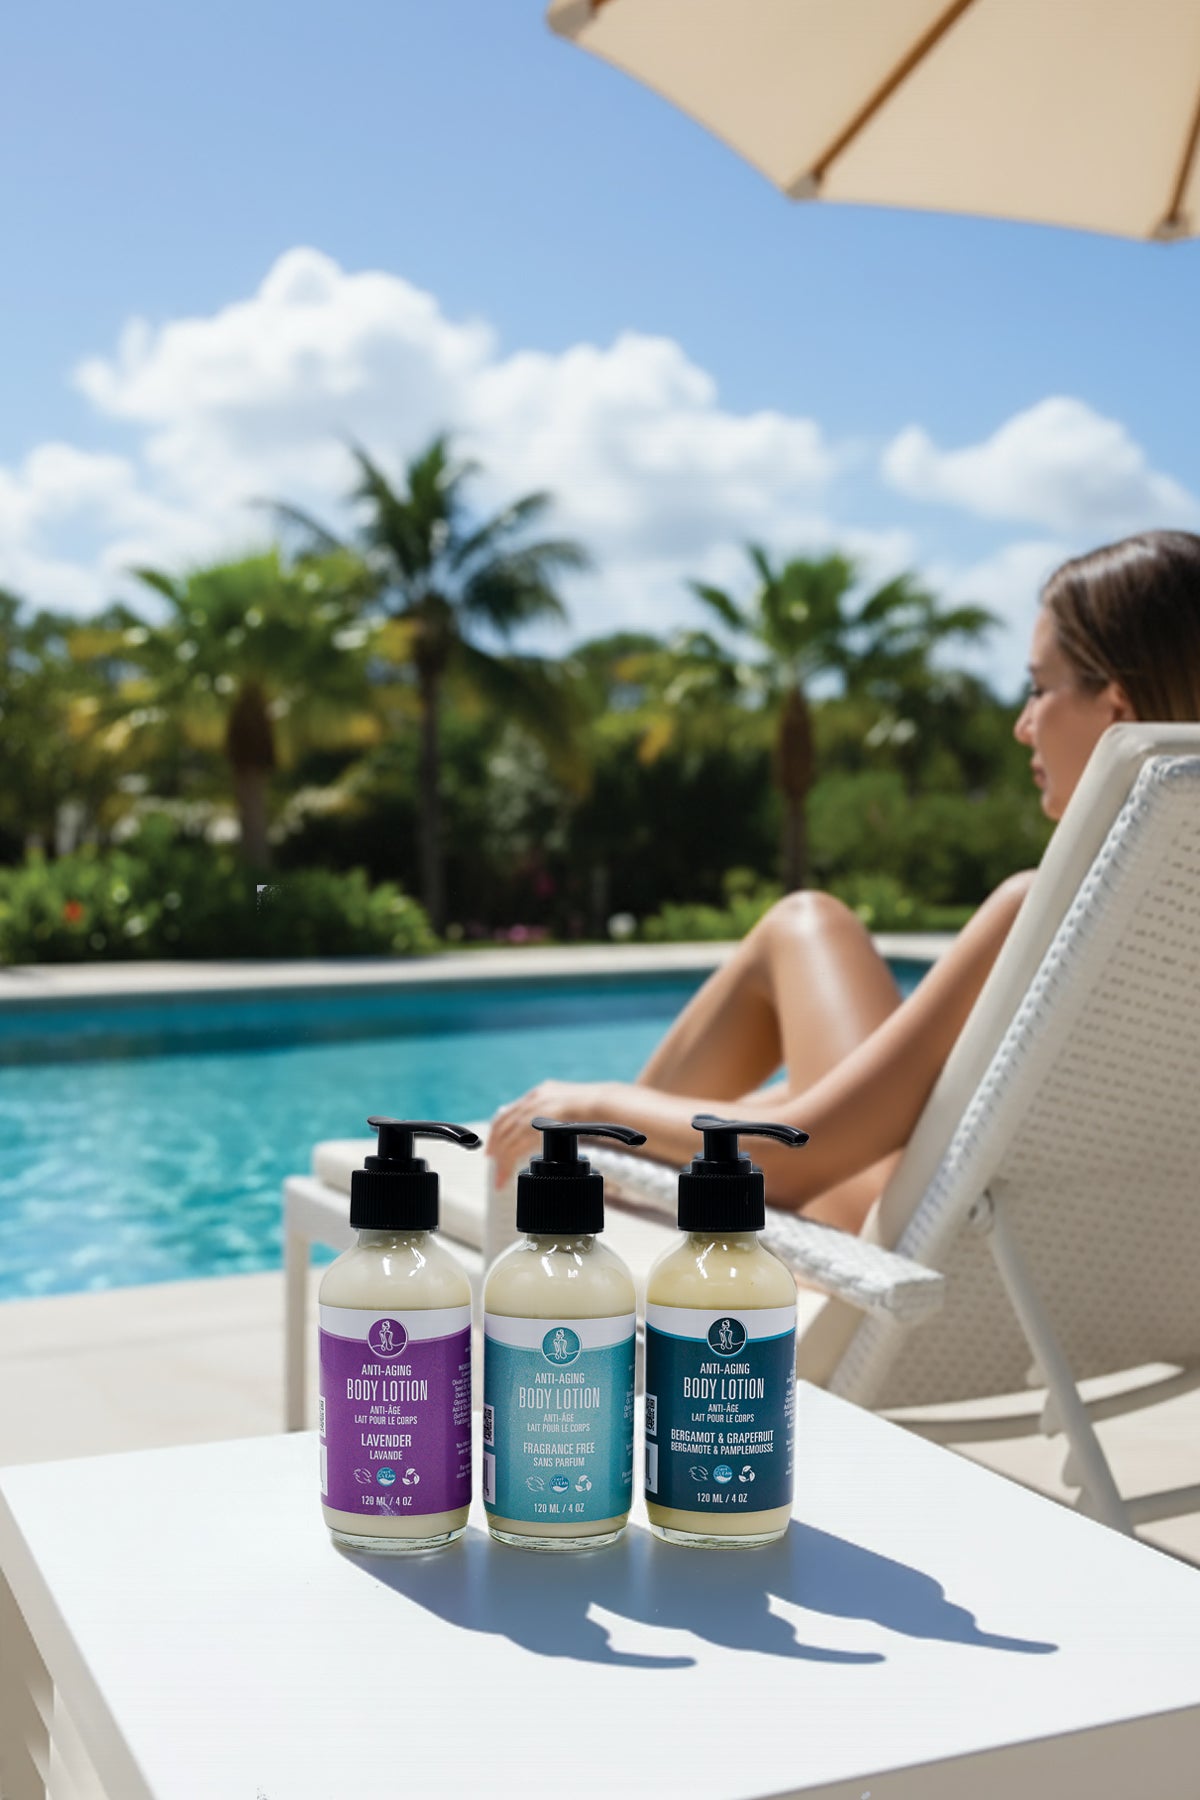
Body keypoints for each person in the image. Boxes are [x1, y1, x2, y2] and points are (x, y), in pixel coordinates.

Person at [487, 529, 1200, 1230]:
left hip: (914, 1232)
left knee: (804, 924)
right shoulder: (1171, 917)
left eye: (1039, 689)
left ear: (1116, 708)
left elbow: (794, 1159)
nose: (1021, 725)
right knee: (806, 1050)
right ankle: (608, 1155)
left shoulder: (1050, 911)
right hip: (1087, 1252)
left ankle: (589, 1160)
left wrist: (594, 1104)